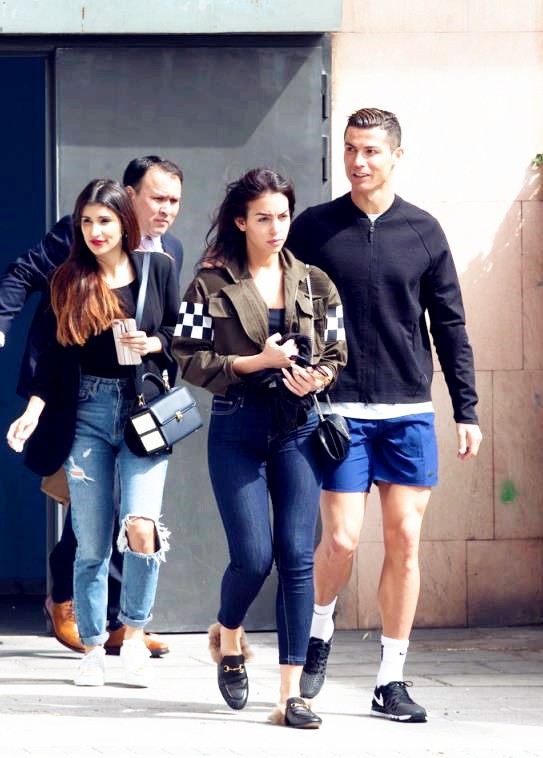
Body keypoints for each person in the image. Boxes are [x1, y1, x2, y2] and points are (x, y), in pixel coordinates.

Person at [287, 108, 482, 723]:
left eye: (370, 150)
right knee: (342, 540)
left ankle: (389, 679)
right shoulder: (314, 228)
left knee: (404, 541)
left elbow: (449, 325)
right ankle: (320, 629)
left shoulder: (423, 231)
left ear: (396, 155)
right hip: (339, 411)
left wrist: (467, 409)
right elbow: (284, 305)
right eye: (350, 149)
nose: (358, 161)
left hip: (408, 412)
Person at [172, 168, 347, 728]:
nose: (276, 228)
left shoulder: (316, 282)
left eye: (283, 216)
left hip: (298, 426)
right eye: (264, 218)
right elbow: (187, 355)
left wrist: (317, 377)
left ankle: (291, 696)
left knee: (297, 555)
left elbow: (337, 349)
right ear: (241, 221)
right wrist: (256, 363)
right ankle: (228, 635)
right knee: (253, 557)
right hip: (237, 427)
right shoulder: (209, 284)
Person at [0, 155, 184, 657]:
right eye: (157, 198)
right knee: (92, 521)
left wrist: (156, 344)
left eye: (174, 201)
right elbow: (26, 276)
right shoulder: (77, 247)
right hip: (80, 395)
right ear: (130, 198)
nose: (166, 210)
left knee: (137, 518)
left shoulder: (166, 257)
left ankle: (126, 622)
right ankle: (69, 604)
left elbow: (176, 329)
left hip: (141, 404)